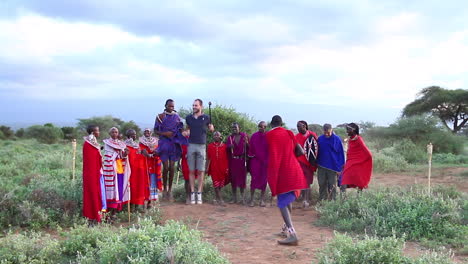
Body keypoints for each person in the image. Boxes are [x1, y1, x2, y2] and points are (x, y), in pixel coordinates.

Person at [267, 115, 308, 246]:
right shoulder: (289, 133)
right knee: (288, 198)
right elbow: (301, 151)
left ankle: (293, 234)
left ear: (271, 124)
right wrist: (289, 156)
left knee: (282, 202)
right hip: (294, 169)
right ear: (282, 123)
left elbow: (272, 157)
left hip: (283, 172)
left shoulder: (269, 136)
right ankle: (285, 229)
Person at [154, 99, 187, 201]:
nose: (171, 108)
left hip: (174, 144)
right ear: (166, 105)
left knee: (172, 167)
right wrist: (165, 134)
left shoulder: (177, 117)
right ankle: (164, 190)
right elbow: (155, 130)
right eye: (169, 106)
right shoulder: (160, 117)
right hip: (164, 143)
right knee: (166, 167)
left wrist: (184, 134)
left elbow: (180, 129)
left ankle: (170, 190)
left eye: (173, 106)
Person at [184, 99, 214, 204]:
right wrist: (186, 132)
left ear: (201, 106)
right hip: (191, 145)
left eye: (196, 105)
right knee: (191, 171)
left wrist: (211, 128)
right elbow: (187, 129)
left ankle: (199, 193)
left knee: (201, 171)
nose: (194, 107)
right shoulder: (188, 118)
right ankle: (193, 193)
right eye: (193, 105)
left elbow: (211, 128)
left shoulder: (206, 117)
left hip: (202, 146)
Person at [102, 127, 130, 213]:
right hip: (110, 170)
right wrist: (116, 155)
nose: (114, 134)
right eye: (113, 132)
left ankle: (115, 212)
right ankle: (109, 211)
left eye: (116, 132)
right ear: (110, 133)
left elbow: (122, 156)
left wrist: (125, 154)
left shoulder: (121, 144)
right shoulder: (107, 143)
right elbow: (107, 156)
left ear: (118, 133)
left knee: (119, 189)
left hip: (119, 169)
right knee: (111, 190)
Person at [82, 125, 106, 223]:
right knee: (93, 194)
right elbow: (92, 160)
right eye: (97, 131)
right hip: (93, 174)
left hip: (96, 173)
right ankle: (94, 216)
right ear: (92, 132)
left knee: (97, 193)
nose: (98, 132)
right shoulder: (89, 145)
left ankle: (98, 215)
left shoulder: (92, 143)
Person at [316, 124, 345, 201]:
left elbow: (341, 154)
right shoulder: (320, 139)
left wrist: (340, 168)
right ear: (323, 131)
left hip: (333, 166)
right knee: (321, 183)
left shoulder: (337, 139)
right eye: (325, 132)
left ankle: (333, 201)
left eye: (328, 132)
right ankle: (322, 199)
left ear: (331, 130)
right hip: (321, 165)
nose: (327, 134)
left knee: (332, 185)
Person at [340, 123, 373, 191]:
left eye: (348, 130)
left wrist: (363, 161)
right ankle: (342, 200)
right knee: (343, 181)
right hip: (349, 163)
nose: (347, 131)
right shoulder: (349, 139)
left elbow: (367, 152)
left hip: (357, 164)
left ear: (353, 130)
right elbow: (349, 152)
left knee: (359, 182)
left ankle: (359, 199)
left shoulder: (359, 139)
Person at [295, 121, 318, 208]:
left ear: (304, 126)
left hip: (309, 163)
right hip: (299, 162)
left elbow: (315, 149)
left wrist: (314, 162)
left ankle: (306, 199)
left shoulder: (312, 135)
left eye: (299, 126)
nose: (298, 128)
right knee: (301, 181)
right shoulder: (296, 137)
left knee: (307, 182)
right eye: (297, 127)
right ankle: (303, 197)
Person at [125, 129, 149, 210]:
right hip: (130, 171)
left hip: (138, 170)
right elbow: (129, 158)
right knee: (131, 187)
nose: (134, 136)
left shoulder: (136, 145)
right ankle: (130, 206)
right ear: (129, 136)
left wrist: (143, 154)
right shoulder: (125, 146)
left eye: (135, 134)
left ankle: (136, 205)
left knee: (137, 187)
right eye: (133, 135)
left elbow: (138, 156)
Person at [226, 123, 249, 205]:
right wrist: (229, 146)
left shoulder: (244, 136)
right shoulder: (230, 138)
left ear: (239, 128)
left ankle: (242, 198)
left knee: (242, 179)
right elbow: (226, 148)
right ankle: (234, 198)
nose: (234, 129)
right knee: (233, 179)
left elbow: (249, 148)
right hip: (233, 160)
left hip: (242, 160)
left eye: (235, 127)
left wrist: (247, 143)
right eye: (232, 128)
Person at [247, 121, 268, 207]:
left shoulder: (268, 136)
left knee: (264, 180)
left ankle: (261, 200)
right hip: (255, 161)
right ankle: (252, 200)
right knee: (254, 180)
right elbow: (251, 148)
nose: (261, 128)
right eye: (260, 126)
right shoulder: (254, 136)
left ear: (266, 127)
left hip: (265, 162)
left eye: (263, 126)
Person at [206, 131, 230, 206]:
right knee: (216, 185)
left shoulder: (224, 146)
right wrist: (206, 167)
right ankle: (221, 200)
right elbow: (208, 158)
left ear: (220, 137)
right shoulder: (210, 146)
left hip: (223, 168)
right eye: (214, 135)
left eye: (217, 135)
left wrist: (227, 168)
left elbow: (227, 158)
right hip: (214, 168)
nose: (216, 136)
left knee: (220, 186)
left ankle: (215, 199)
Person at [139, 128, 162, 205]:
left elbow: (159, 149)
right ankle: (146, 199)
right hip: (145, 163)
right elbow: (141, 150)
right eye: (145, 131)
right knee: (146, 181)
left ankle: (152, 200)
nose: (147, 133)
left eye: (148, 131)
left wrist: (156, 153)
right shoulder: (141, 141)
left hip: (154, 163)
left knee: (153, 181)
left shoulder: (156, 141)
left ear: (151, 133)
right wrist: (145, 153)